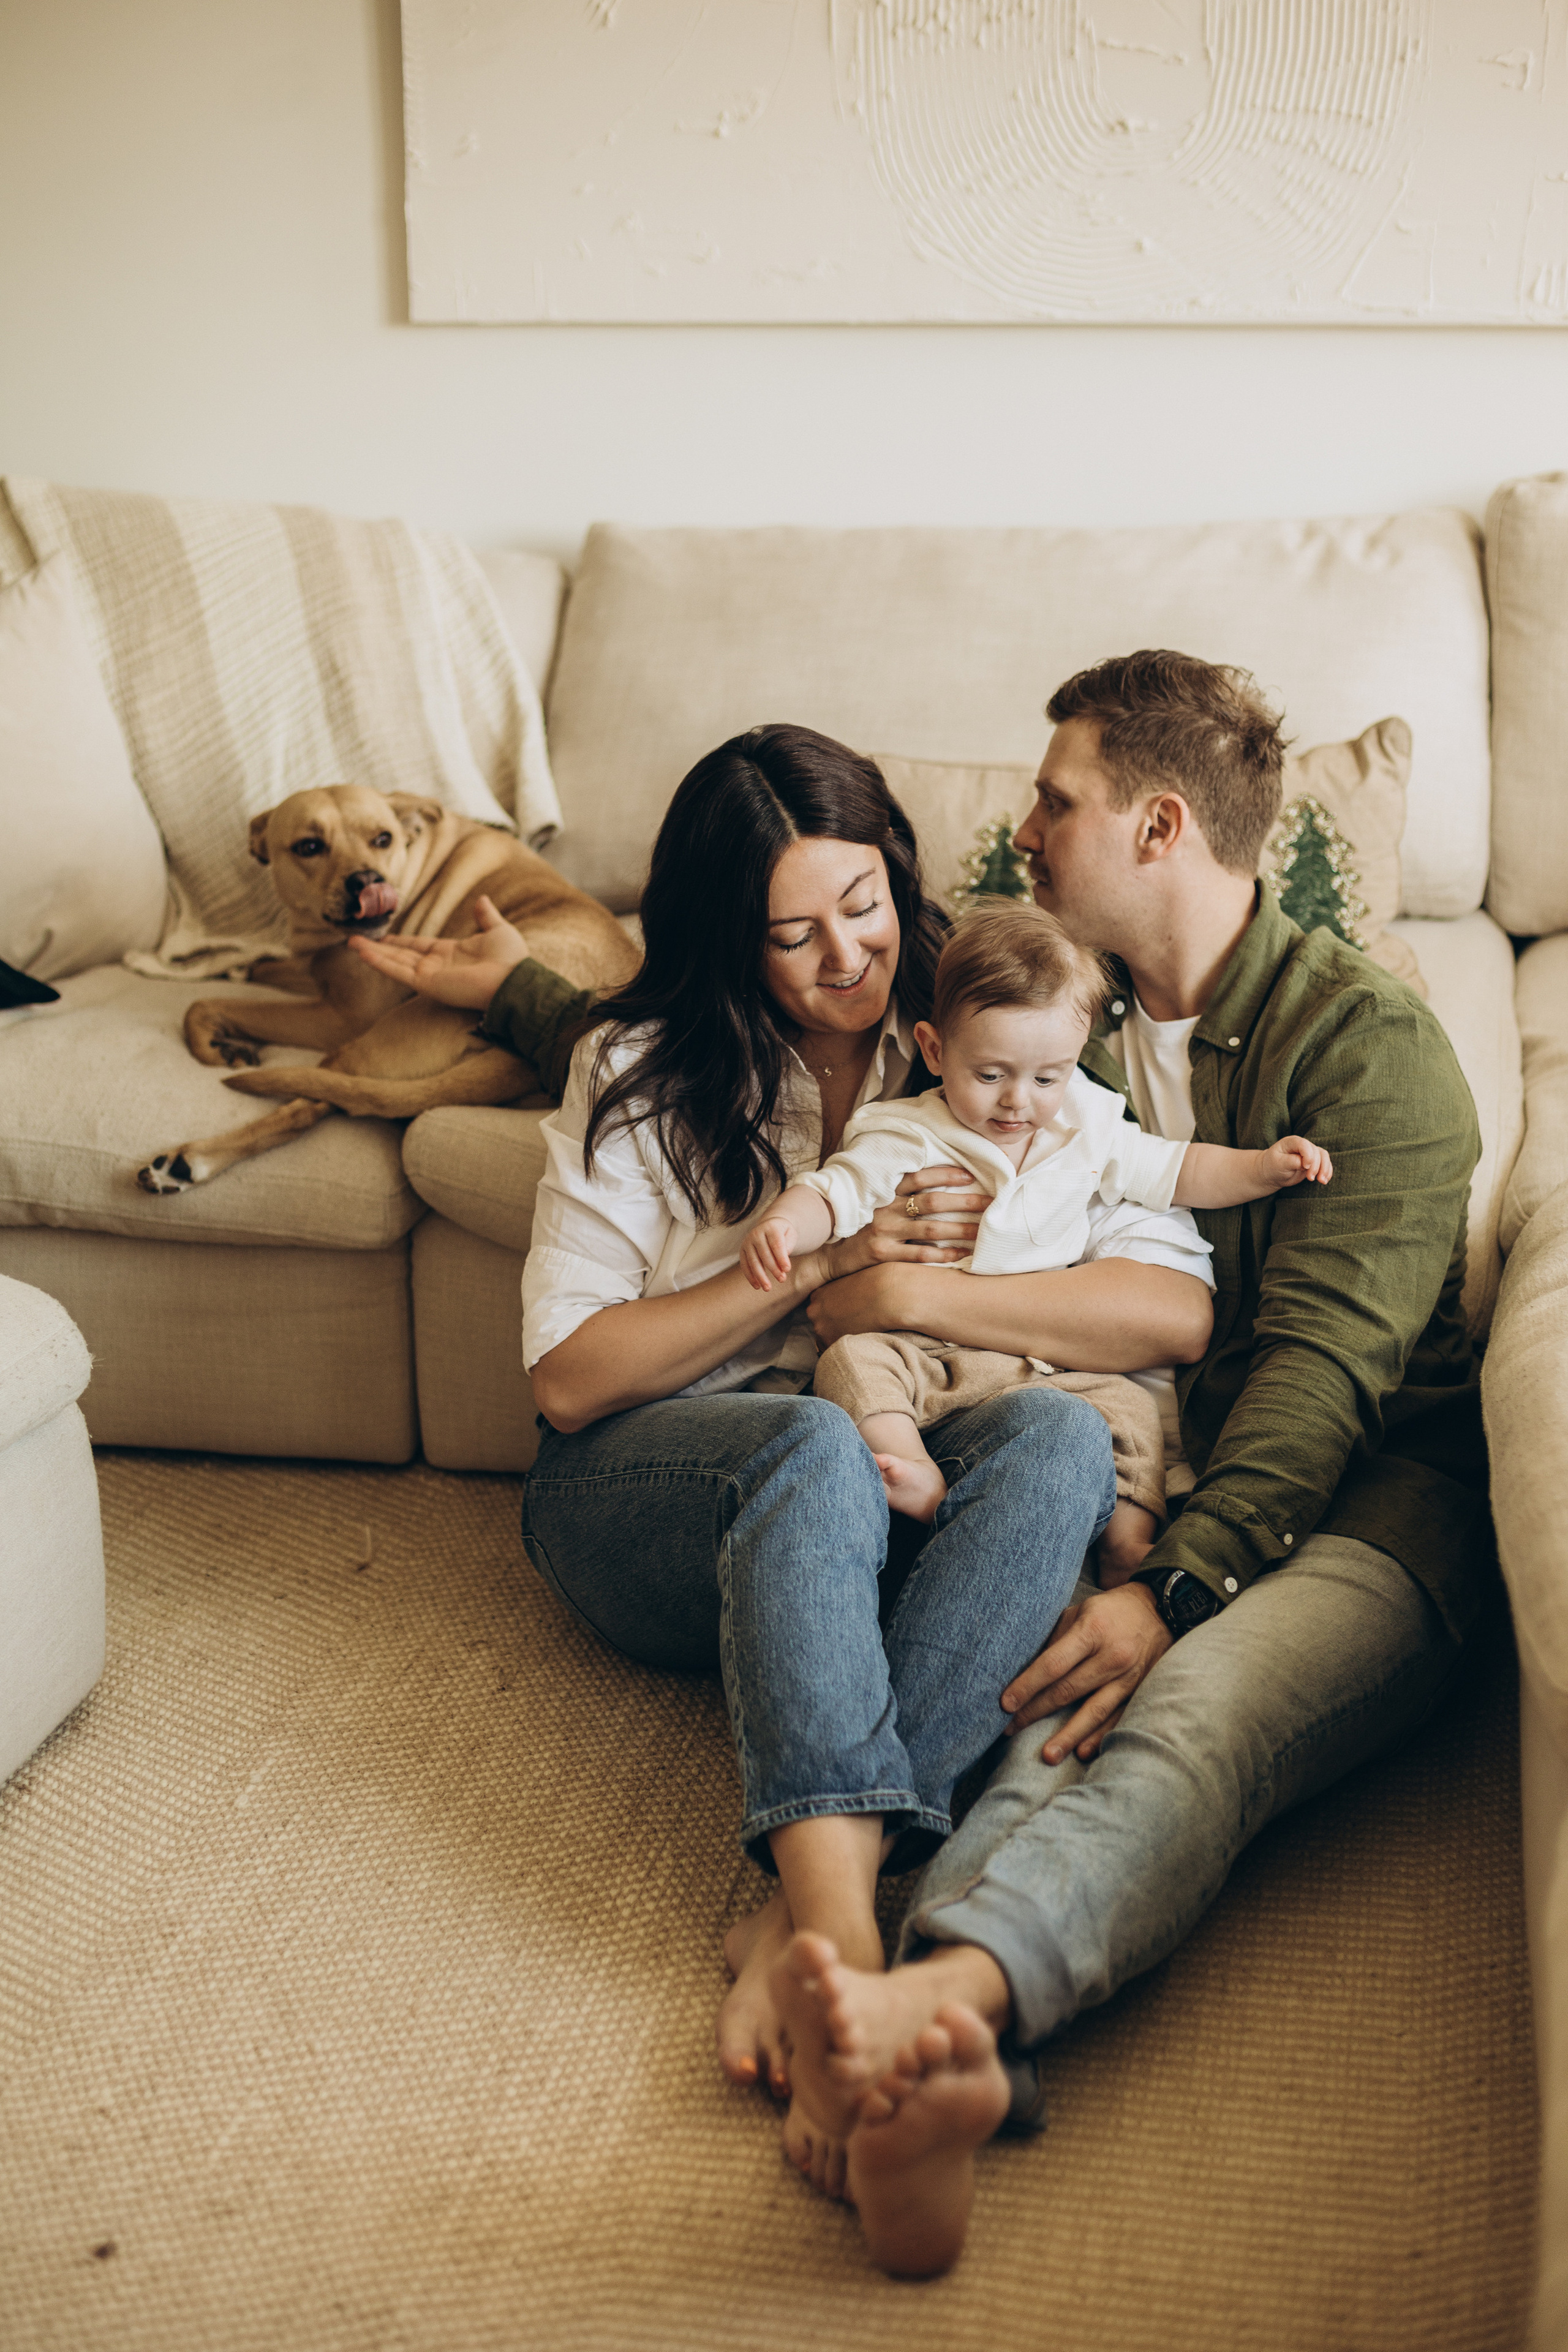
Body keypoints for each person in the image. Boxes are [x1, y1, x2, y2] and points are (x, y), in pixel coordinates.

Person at [355, 722, 1214, 2260]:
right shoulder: (633, 1067)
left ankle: (807, 1918)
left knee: (1061, 1447)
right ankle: (842, 1943)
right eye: (794, 931)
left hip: (890, 1479)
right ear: (722, 935)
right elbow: (568, 1378)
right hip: (650, 1484)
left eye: (866, 904)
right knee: (812, 1440)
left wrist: (936, 1309)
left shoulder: (980, 1030)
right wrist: (825, 1278)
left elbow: (1158, 1296)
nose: (848, 957)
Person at [758, 650, 1491, 2277]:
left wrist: (1174, 1581)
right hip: (1134, 1478)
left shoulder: (1373, 1054)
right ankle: (939, 2065)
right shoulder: (1042, 1035)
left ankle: (933, 2009)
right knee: (1045, 1723)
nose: (1022, 830)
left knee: (1186, 1710)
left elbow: (1322, 1371)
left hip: (1371, 1505)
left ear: (1160, 824)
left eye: (1055, 799)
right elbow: (712, 1007)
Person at [740, 900, 1330, 1574]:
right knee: (850, 1364)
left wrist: (1262, 1168)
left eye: (1047, 1077)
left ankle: (1128, 1539)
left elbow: (1176, 1169)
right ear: (934, 1050)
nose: (1018, 1101)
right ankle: (910, 1472)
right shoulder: (906, 1132)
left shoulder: (1085, 1124)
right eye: (989, 1075)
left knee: (1130, 1409)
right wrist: (786, 1222)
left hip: (1048, 1370)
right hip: (924, 1357)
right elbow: (835, 1191)